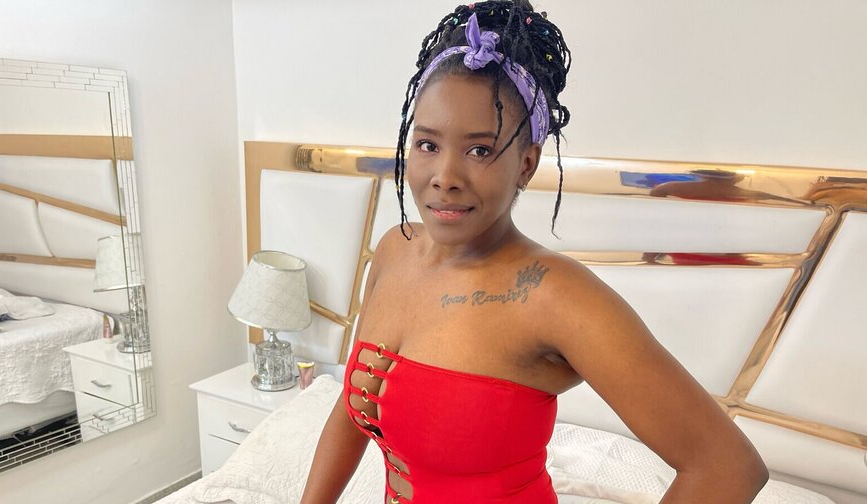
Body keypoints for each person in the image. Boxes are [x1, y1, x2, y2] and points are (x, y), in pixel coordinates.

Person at [301, 2, 769, 503]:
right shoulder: (394, 249)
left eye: (480, 150)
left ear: (526, 164)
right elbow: (352, 409)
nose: (445, 177)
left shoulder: (554, 296)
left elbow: (727, 467)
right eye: (428, 144)